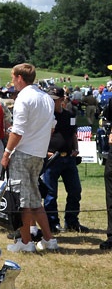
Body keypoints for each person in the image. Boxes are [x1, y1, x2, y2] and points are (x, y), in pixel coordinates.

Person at [2, 63, 57, 253]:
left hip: (23, 152)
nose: (12, 82)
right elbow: (51, 127)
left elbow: (18, 131)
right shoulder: (46, 98)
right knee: (34, 199)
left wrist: (7, 152)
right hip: (39, 153)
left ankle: (26, 243)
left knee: (22, 201)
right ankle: (49, 239)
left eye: (13, 78)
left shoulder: (23, 98)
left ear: (19, 78)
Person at [42, 88, 85, 232]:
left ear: (62, 100)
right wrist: (45, 152)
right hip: (52, 158)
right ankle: (52, 223)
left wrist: (76, 148)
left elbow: (73, 133)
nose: (51, 102)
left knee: (75, 191)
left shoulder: (70, 114)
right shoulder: (45, 116)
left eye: (54, 99)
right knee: (50, 193)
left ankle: (72, 222)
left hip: (69, 158)